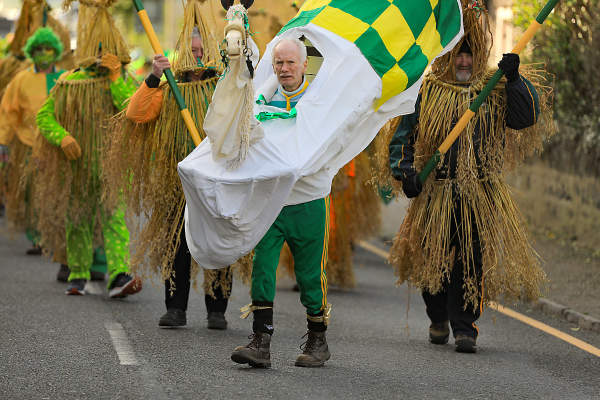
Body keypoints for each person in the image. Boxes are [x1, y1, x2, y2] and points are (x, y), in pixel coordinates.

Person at [388, 3, 550, 353]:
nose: (464, 62)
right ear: (448, 57)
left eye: (470, 55)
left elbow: (526, 118)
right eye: (458, 56)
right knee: (432, 259)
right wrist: (407, 175)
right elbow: (402, 137)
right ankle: (437, 317)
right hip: (436, 191)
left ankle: (465, 328)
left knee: (471, 260)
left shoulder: (492, 91)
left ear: (479, 56)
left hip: (479, 192)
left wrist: (515, 80)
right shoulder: (427, 90)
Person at [115, 10, 241, 329]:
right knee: (177, 245)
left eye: (201, 51)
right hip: (176, 183)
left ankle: (217, 310)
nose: (197, 56)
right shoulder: (167, 88)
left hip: (216, 182)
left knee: (217, 242)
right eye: (192, 50)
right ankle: (176, 308)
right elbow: (136, 114)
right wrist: (154, 76)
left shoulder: (222, 86)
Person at [231, 37, 331, 369]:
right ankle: (261, 341)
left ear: (305, 65)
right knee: (262, 268)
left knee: (308, 277)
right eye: (279, 63)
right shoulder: (262, 97)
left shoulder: (320, 101)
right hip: (272, 199)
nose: (284, 68)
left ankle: (318, 339)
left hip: (308, 200)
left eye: (290, 63)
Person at [34, 1, 140, 298]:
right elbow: (43, 116)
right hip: (77, 166)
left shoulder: (123, 81)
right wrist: (62, 137)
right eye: (96, 50)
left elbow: (131, 111)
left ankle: (119, 274)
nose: (100, 57)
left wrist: (117, 78)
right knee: (77, 218)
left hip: (111, 167)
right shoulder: (70, 82)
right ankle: (78, 273)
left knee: (114, 219)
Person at [0, 27, 64, 255]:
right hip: (27, 144)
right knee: (32, 191)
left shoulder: (64, 78)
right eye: (39, 49)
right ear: (32, 52)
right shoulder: (22, 79)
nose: (44, 53)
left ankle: (54, 235)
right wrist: (3, 141)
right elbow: (9, 112)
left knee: (54, 190)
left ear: (55, 51)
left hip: (57, 145)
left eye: (48, 49)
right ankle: (38, 236)